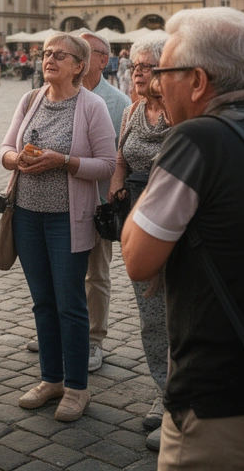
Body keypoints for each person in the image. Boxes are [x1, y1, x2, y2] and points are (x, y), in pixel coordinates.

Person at [121, 7, 244, 468]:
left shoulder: (195, 141)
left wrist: (149, 181)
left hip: (222, 396)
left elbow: (137, 258)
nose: (154, 84)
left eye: (163, 73)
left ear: (197, 81)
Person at [0, 32, 117, 422]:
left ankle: (77, 388)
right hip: (28, 216)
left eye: (59, 55)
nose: (48, 59)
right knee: (42, 301)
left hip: (70, 220)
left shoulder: (93, 105)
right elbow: (4, 149)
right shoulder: (30, 99)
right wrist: (18, 158)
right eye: (46, 53)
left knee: (70, 304)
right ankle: (51, 379)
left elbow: (107, 164)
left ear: (79, 66)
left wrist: (63, 161)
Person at [108, 40, 171, 451]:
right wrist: (116, 183)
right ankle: (163, 391)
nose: (138, 72)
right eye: (134, 65)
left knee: (179, 312)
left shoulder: (180, 114)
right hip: (136, 219)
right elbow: (121, 158)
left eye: (148, 66)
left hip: (173, 221)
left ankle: (182, 398)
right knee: (150, 315)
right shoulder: (133, 111)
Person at [76, 32, 129, 373]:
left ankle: (94, 339)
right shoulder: (53, 96)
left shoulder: (118, 102)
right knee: (62, 273)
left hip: (96, 202)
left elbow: (122, 159)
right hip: (59, 200)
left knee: (96, 273)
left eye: (84, 52)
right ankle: (65, 329)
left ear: (102, 60)